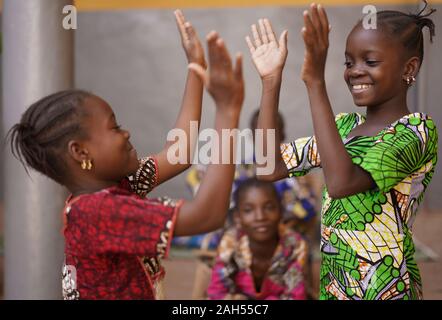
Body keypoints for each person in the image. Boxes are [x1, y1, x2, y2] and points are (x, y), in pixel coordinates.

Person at [8, 10, 245, 300]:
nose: (126, 133)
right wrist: (227, 112)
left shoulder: (118, 187)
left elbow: (179, 154)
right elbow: (207, 215)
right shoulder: (98, 212)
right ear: (81, 152)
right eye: (114, 127)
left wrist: (195, 67)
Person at [247, 1, 438, 300]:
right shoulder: (343, 128)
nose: (355, 72)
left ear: (409, 68)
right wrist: (271, 81)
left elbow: (341, 183)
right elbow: (268, 167)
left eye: (370, 62)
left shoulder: (416, 131)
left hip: (387, 290)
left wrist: (315, 82)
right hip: (336, 291)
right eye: (349, 63)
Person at [207, 178, 309, 300]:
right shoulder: (231, 242)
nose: (260, 217)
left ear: (281, 211)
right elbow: (217, 293)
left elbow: (295, 296)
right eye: (248, 210)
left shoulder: (294, 245)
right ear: (237, 218)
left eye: (269, 207)